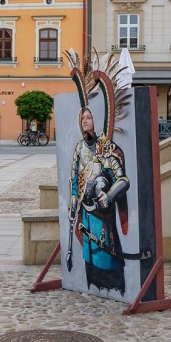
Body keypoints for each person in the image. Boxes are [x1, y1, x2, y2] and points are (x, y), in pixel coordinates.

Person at [67, 107, 129, 295]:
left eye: (89, 117)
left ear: (98, 119)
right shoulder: (79, 147)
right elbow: (75, 178)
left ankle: (114, 290)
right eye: (82, 117)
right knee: (89, 258)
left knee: (106, 258)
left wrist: (109, 196)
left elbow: (123, 180)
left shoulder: (107, 148)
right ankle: (92, 287)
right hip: (85, 215)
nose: (85, 121)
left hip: (103, 217)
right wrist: (73, 200)